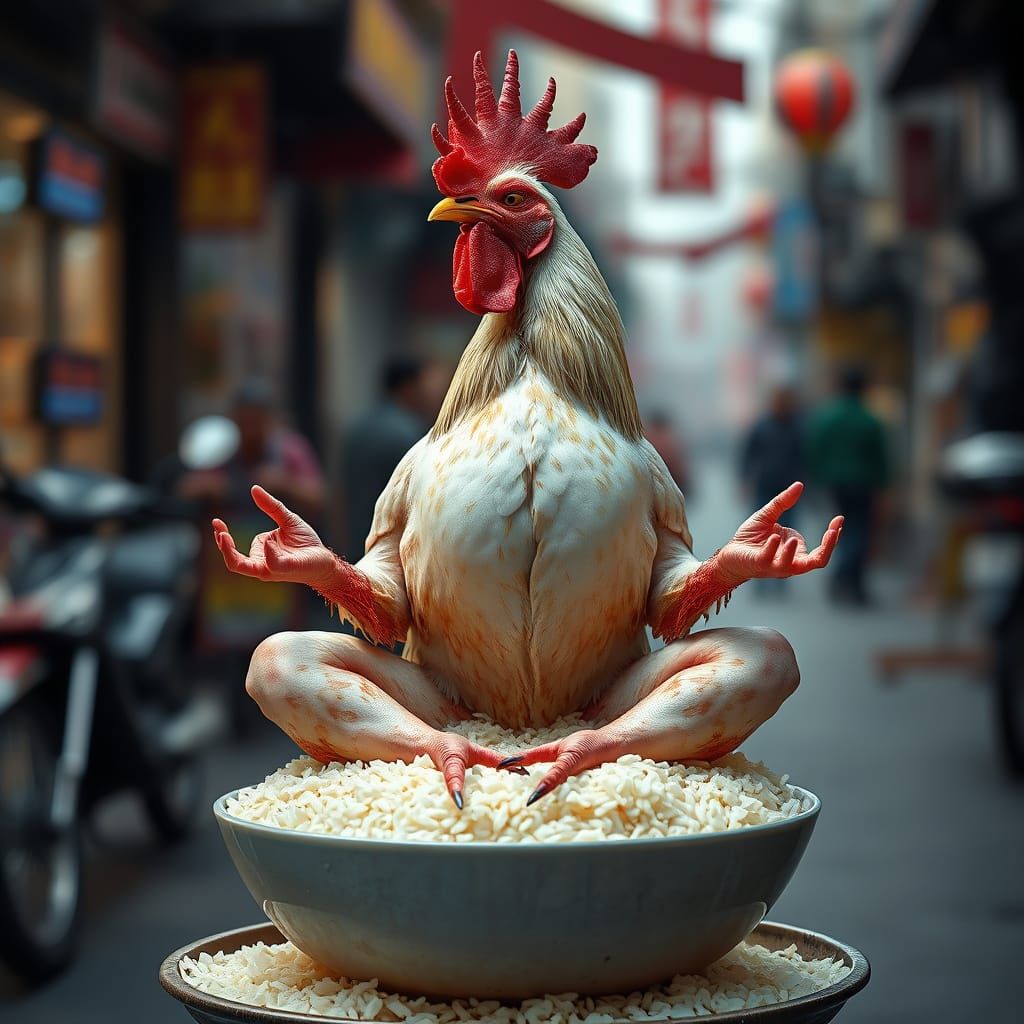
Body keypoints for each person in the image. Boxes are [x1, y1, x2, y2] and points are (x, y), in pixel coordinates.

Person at [807, 367, 889, 605]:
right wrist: (882, 484)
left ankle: (845, 577)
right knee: (860, 530)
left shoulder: (828, 418)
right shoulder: (869, 420)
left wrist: (819, 476)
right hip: (863, 483)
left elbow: (815, 449)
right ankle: (851, 580)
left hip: (835, 483)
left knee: (840, 529)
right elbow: (880, 458)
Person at [340, 355, 429, 560]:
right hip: (392, 552)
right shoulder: (410, 433)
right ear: (408, 386)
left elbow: (342, 495)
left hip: (358, 544)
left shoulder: (356, 429)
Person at [739, 385, 805, 595]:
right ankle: (760, 575)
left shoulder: (797, 426)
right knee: (762, 532)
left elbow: (805, 457)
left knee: (787, 534)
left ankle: (781, 575)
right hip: (765, 486)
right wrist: (744, 480)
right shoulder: (762, 426)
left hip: (789, 490)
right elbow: (748, 454)